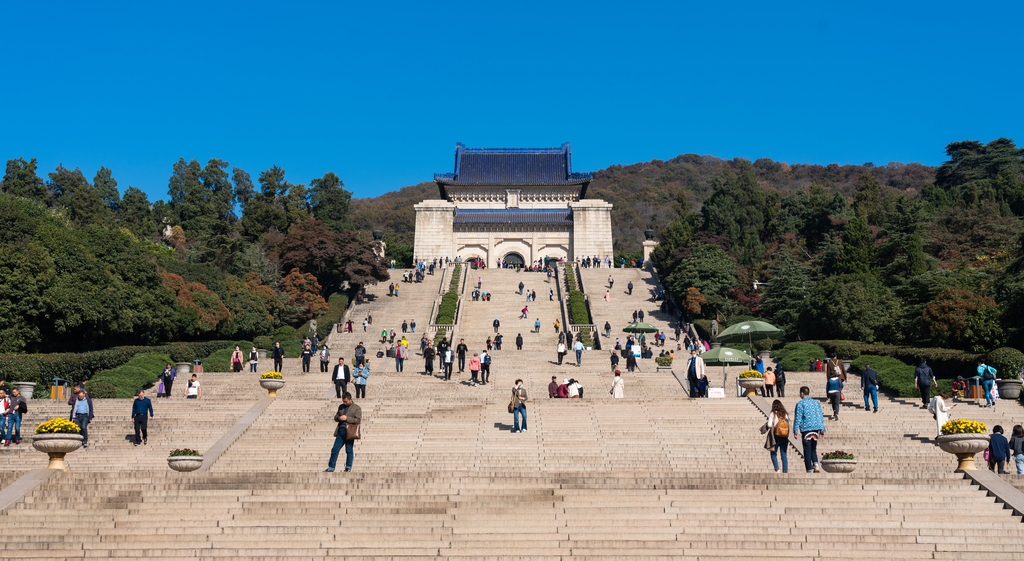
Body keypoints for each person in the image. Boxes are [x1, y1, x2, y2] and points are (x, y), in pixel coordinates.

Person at [324, 392, 361, 472]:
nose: (344, 403)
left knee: (349, 450)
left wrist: (346, 418)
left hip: (349, 431)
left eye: (346, 401)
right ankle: (331, 467)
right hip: (340, 431)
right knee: (334, 449)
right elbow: (335, 416)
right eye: (343, 401)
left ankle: (348, 467)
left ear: (351, 399)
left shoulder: (356, 408)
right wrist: (339, 418)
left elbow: (358, 420)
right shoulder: (341, 407)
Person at [794, 386, 825, 473]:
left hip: (806, 429)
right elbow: (820, 416)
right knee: (813, 449)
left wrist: (795, 431)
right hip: (816, 429)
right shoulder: (816, 403)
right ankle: (816, 464)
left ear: (802, 393)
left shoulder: (800, 404)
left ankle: (809, 469)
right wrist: (822, 429)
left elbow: (798, 418)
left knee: (807, 450)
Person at [767, 400, 790, 473]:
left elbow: (769, 425)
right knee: (784, 455)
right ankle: (785, 471)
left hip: (776, 436)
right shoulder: (785, 414)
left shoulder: (773, 413)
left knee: (773, 453)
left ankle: (777, 469)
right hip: (785, 436)